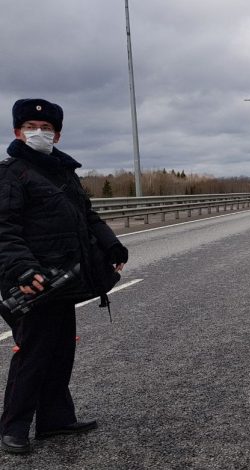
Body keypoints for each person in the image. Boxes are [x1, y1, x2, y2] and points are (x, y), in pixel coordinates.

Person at [0, 99, 129, 454]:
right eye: (30, 127)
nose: (38, 133)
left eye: (46, 128)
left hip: (63, 279)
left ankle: (55, 419)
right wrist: (21, 269)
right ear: (17, 132)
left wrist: (112, 247)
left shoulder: (63, 173)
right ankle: (14, 426)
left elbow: (87, 217)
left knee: (59, 352)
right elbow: (4, 229)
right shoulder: (11, 174)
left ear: (57, 134)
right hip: (32, 282)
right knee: (34, 353)